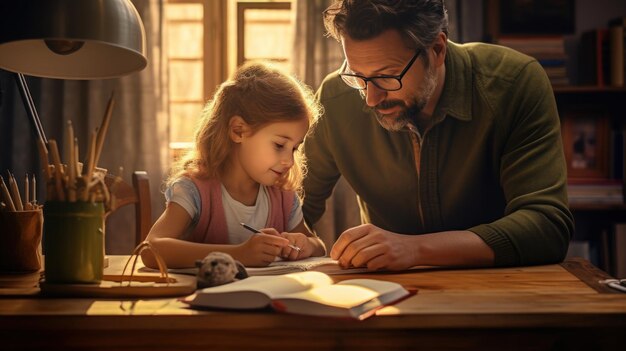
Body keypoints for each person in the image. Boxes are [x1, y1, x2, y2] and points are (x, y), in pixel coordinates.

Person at [302, 0, 574, 271]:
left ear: (437, 50)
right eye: (358, 77)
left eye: (387, 77)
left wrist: (414, 249)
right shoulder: (336, 99)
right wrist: (289, 239)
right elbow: (296, 206)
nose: (371, 99)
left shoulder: (514, 84)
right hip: (386, 294)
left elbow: (547, 227)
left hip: (502, 289)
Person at [143, 62, 326, 269]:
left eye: (294, 148)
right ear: (238, 131)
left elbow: (318, 245)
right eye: (279, 145)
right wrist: (239, 254)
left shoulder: (282, 195)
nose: (289, 161)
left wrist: (305, 245)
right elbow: (150, 249)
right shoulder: (195, 191)